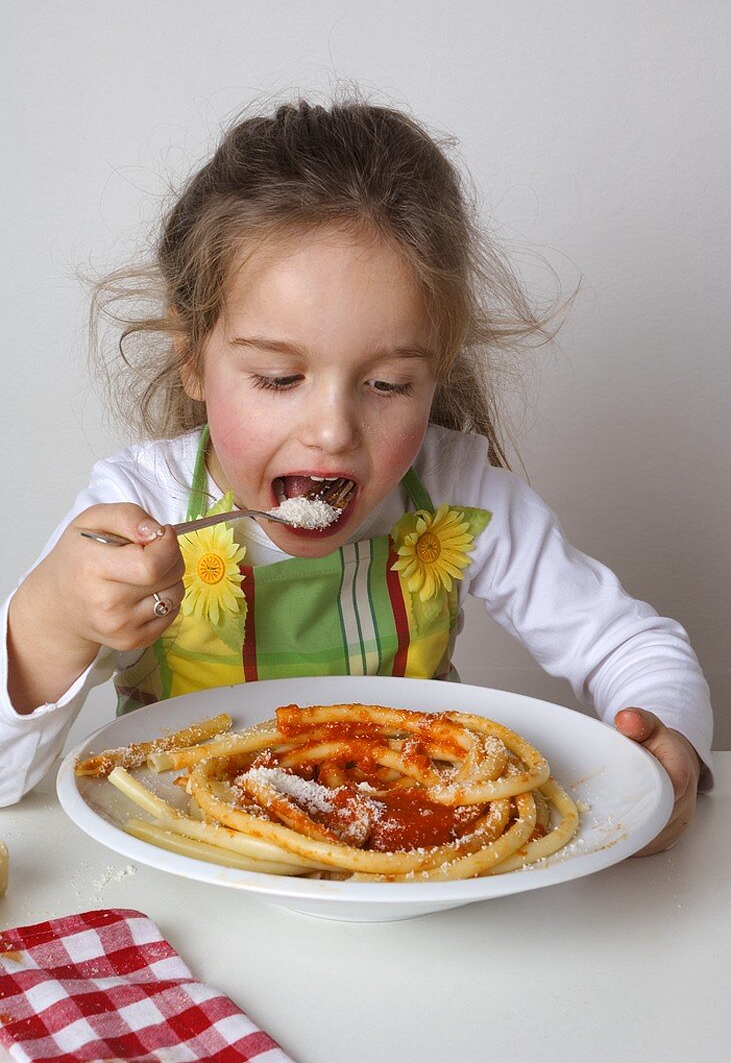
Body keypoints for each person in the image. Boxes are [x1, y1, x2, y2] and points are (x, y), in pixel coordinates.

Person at [0, 99, 712, 852]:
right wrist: (52, 622)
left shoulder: (458, 493)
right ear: (191, 359)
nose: (333, 432)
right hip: (181, 861)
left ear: (437, 367)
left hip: (415, 847)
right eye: (278, 378)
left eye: (388, 385)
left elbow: (632, 647)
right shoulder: (136, 507)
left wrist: (668, 745)